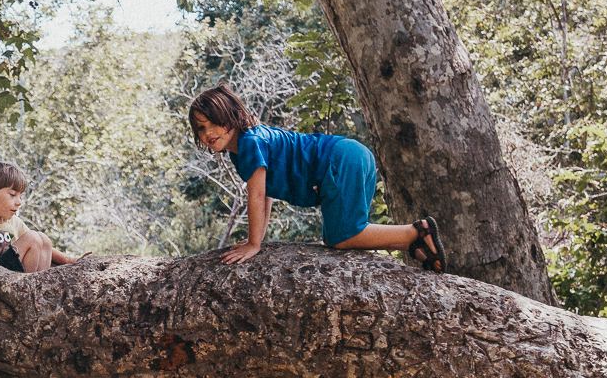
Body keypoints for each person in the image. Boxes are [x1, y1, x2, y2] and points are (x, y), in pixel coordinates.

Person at [187, 84, 445, 270]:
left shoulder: (250, 142)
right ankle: (414, 243)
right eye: (201, 127)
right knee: (345, 235)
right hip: (351, 155)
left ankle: (415, 233)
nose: (208, 132)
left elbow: (255, 194)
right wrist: (258, 239)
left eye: (214, 122)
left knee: (341, 237)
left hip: (339, 160)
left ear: (231, 116)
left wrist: (253, 245)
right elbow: (265, 194)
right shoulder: (244, 146)